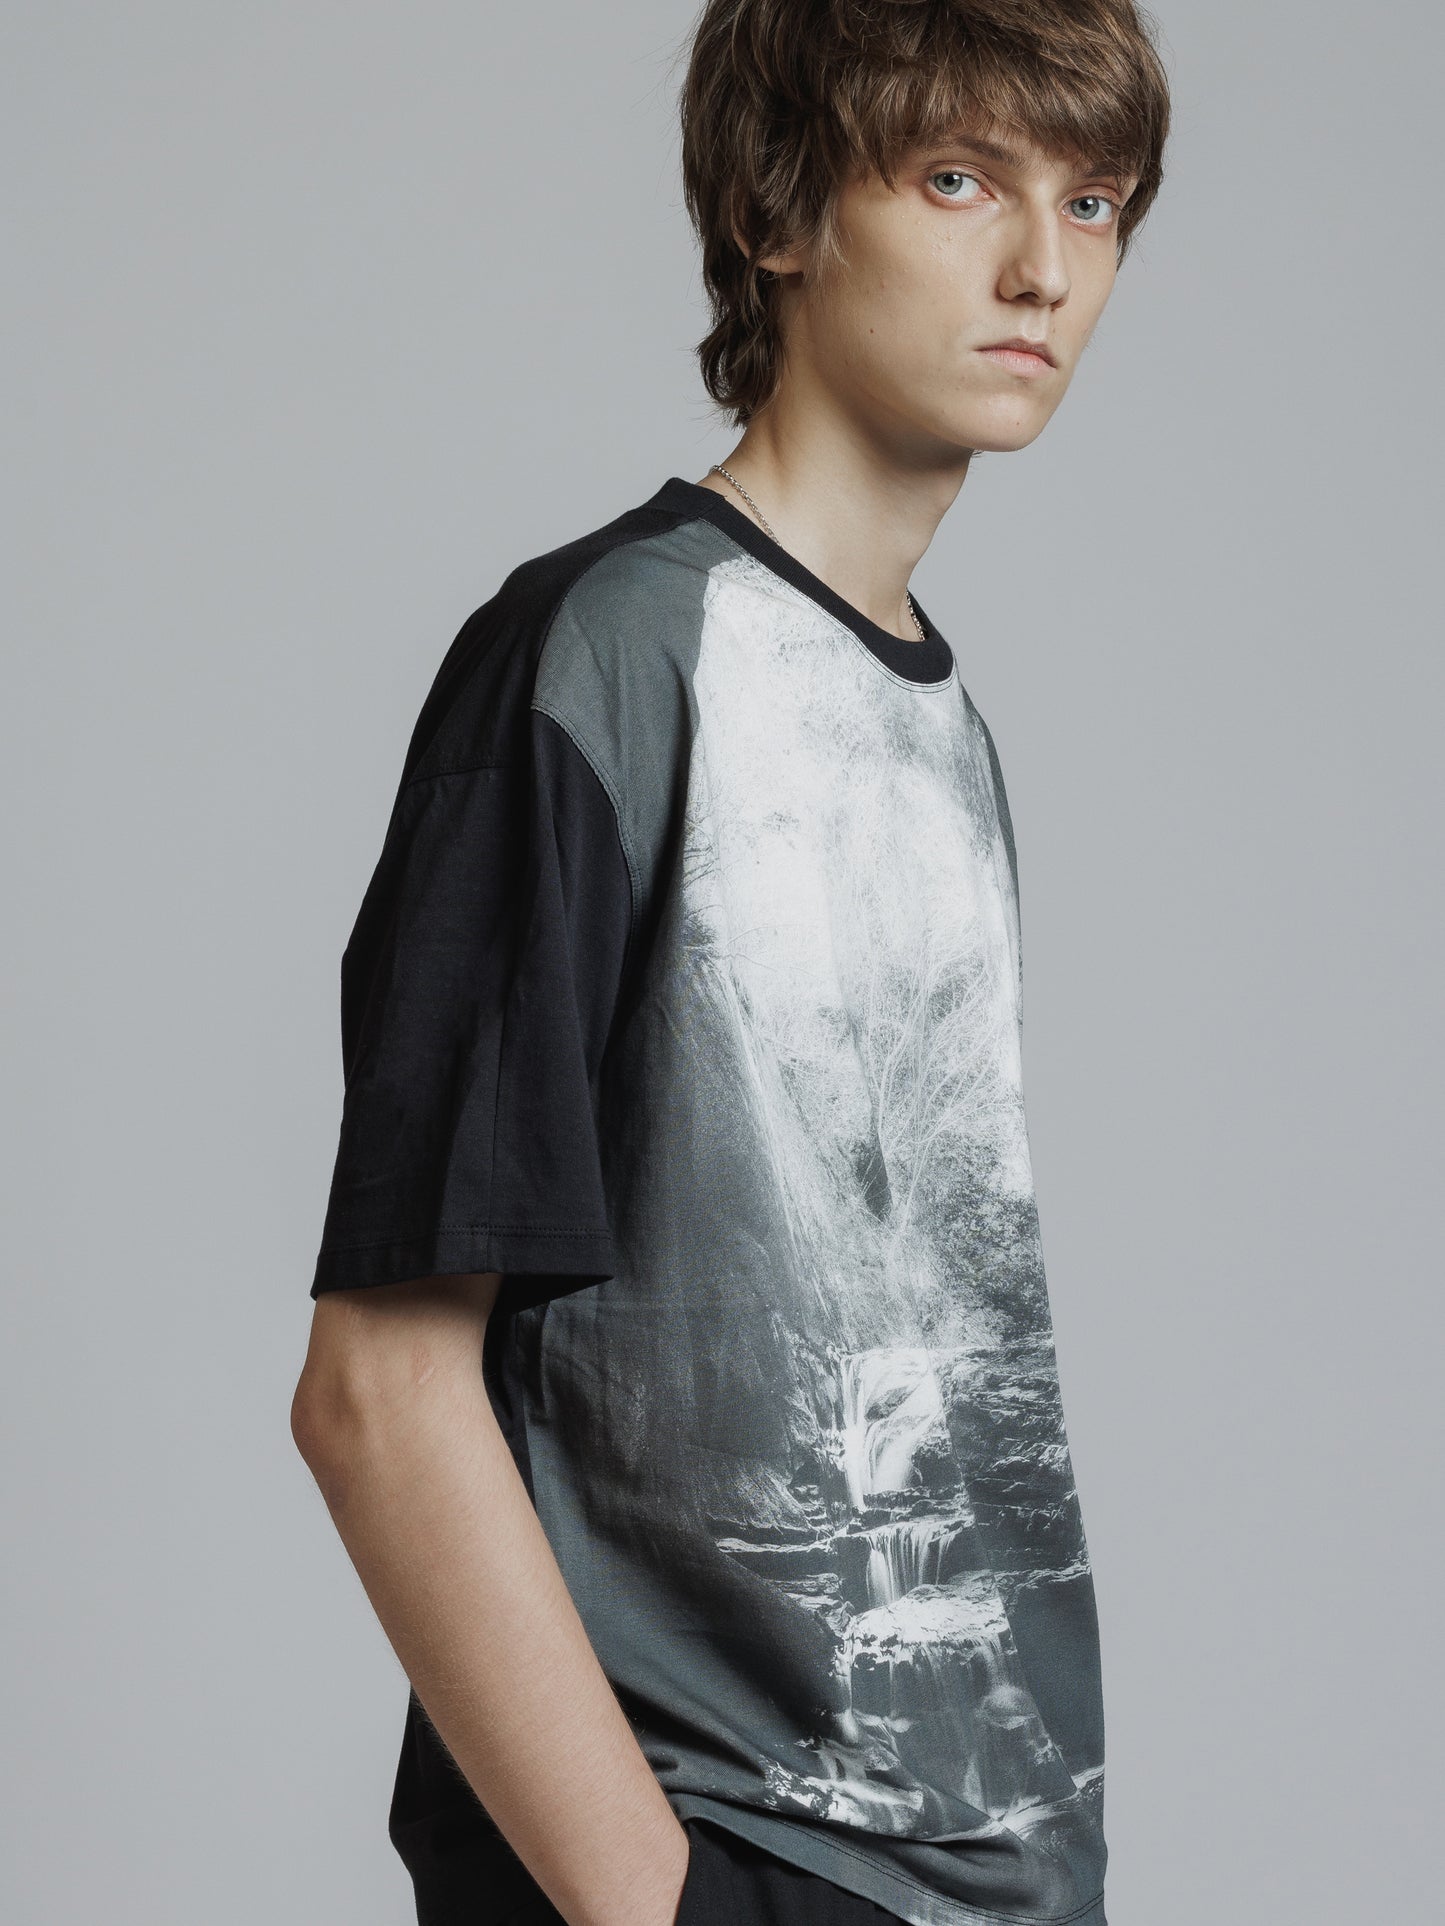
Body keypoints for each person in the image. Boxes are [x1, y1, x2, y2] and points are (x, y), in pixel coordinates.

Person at [289, 3, 1170, 1922]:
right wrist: (656, 1904)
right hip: (726, 1848)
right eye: (960, 180)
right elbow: (378, 1387)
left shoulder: (946, 734)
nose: (1043, 267)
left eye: (1093, 201)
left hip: (993, 1868)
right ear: (779, 212)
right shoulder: (610, 655)